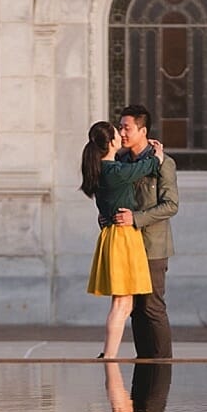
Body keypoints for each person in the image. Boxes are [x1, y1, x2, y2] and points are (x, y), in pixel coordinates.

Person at [81, 120, 166, 359]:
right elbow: (143, 168)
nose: (121, 137)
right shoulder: (113, 171)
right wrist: (157, 155)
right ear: (110, 143)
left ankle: (109, 354)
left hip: (114, 235)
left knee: (124, 303)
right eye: (117, 134)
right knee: (121, 303)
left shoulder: (103, 169)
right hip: (122, 237)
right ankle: (108, 355)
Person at [111, 105, 178, 359]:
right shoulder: (121, 161)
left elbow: (171, 205)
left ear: (143, 131)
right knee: (135, 308)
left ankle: (162, 366)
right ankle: (144, 364)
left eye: (126, 128)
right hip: (127, 244)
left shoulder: (164, 163)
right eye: (120, 127)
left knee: (152, 307)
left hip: (153, 246)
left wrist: (135, 218)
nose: (122, 133)